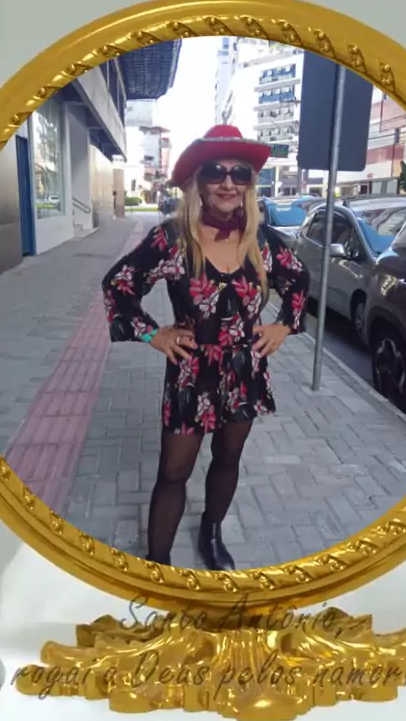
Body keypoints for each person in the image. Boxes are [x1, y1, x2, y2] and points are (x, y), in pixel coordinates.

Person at [101, 125, 309, 570]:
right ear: (198, 181)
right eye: (216, 171)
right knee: (174, 472)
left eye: (240, 173)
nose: (228, 183)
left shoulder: (262, 242)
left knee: (228, 457)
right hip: (190, 373)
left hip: (245, 369)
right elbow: (118, 284)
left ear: (250, 184)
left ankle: (211, 532)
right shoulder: (172, 239)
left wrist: (284, 326)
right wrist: (153, 334)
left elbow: (299, 279)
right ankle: (157, 564)